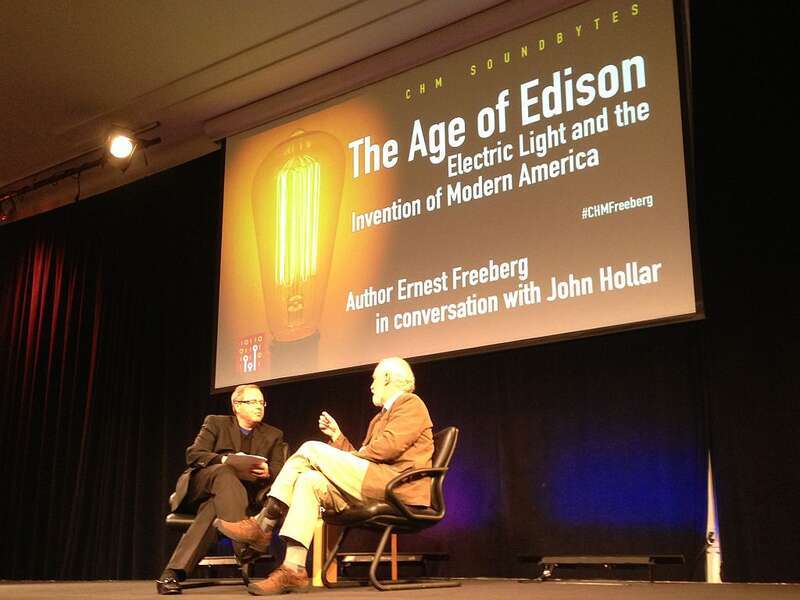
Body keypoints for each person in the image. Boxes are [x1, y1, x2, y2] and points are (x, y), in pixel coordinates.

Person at [215, 356, 433, 596]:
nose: (371, 385)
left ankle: (264, 523)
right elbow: (365, 459)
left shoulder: (410, 403)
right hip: (374, 480)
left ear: (388, 378)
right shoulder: (379, 418)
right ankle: (293, 568)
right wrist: (338, 438)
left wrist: (342, 454)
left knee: (310, 448)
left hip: (395, 486)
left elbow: (388, 447)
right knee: (309, 481)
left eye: (375, 380)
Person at [156, 384, 286, 595]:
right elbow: (194, 455)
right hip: (203, 485)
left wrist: (267, 472)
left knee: (213, 509)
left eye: (261, 402)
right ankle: (243, 547)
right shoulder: (216, 423)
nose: (259, 407)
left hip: (240, 497)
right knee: (224, 473)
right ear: (236, 405)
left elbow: (281, 470)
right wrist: (224, 459)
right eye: (252, 402)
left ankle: (172, 573)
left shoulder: (273, 435)